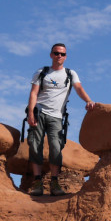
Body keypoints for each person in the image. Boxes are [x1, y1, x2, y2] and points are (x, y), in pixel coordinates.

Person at [26, 43, 97, 196]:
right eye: (56, 53)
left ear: (66, 56)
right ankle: (37, 182)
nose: (59, 56)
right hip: (39, 112)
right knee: (34, 145)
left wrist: (88, 101)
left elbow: (79, 88)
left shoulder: (70, 74)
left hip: (57, 116)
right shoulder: (42, 72)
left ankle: (54, 183)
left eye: (62, 54)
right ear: (51, 55)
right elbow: (33, 93)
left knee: (56, 148)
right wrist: (30, 112)